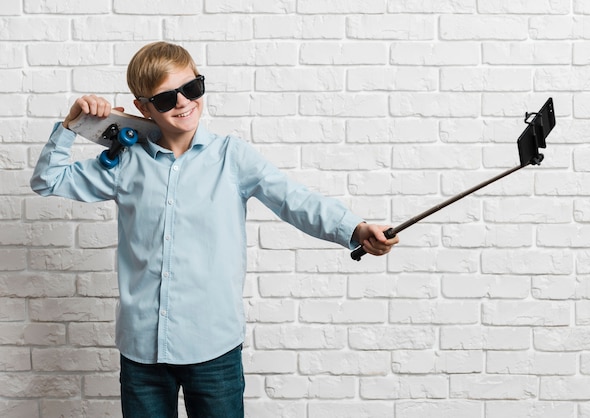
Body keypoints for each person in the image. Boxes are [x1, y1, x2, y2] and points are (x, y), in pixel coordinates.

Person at [30, 41, 398, 418]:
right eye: (165, 98)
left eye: (192, 89)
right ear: (142, 108)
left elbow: (295, 199)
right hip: (141, 352)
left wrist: (355, 228)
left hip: (213, 350)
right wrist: (71, 125)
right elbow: (47, 181)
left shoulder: (232, 156)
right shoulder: (125, 163)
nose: (183, 103)